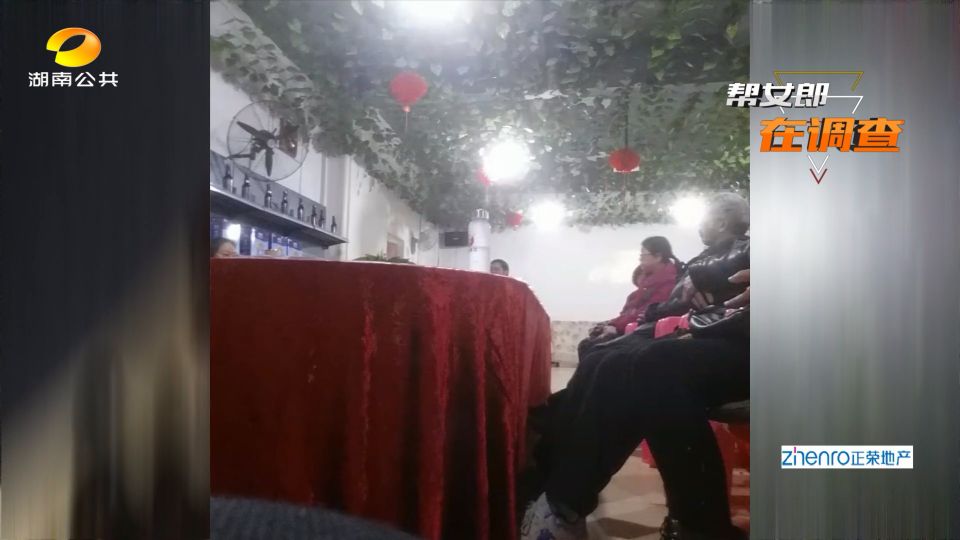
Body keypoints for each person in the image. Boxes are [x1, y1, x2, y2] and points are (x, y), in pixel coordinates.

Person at [522, 195, 751, 540]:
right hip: (720, 330)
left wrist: (699, 279)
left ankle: (699, 528)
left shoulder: (748, 248)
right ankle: (557, 496)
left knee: (652, 365)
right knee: (606, 359)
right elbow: (675, 302)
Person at [587, 236, 682, 343]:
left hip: (646, 334)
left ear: (658, 257)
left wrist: (615, 326)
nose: (640, 259)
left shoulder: (668, 283)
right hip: (633, 329)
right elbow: (629, 312)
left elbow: (645, 313)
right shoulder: (645, 284)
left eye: (643, 255)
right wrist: (610, 324)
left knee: (594, 346)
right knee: (590, 341)